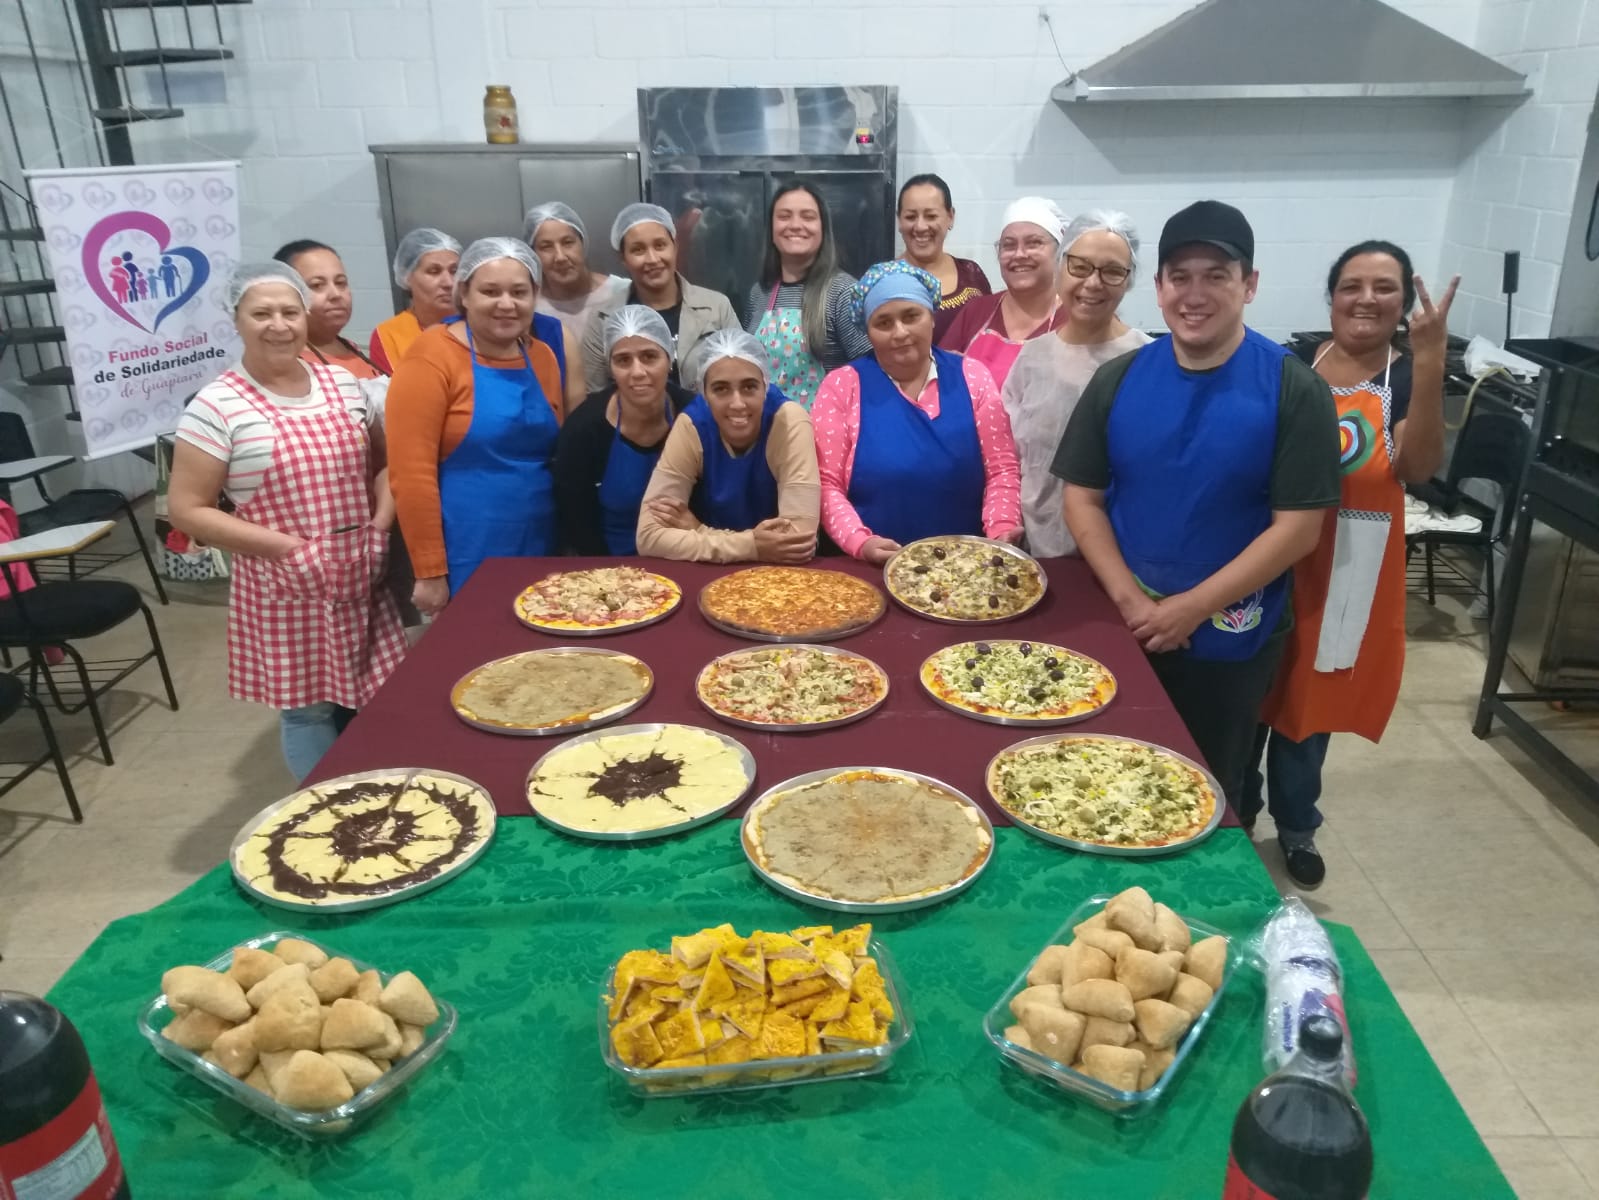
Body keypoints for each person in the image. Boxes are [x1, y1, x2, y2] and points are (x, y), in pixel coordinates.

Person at [1053, 199, 1340, 822]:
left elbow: (1298, 530)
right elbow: (1082, 497)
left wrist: (1191, 607)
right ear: (1158, 288)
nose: (1195, 294)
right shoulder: (1120, 379)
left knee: (1210, 791)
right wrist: (1132, 600)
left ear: (1250, 284)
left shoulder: (1293, 388)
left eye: (1217, 276)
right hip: (1125, 624)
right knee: (1101, 781)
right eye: (1180, 276)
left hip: (1230, 637)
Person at [1251, 243, 1456, 886]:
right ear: (1332, 296)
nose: (1366, 299)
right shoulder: (1294, 364)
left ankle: (1296, 826)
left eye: (1384, 287)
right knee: (1250, 692)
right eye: (1352, 286)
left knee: (1311, 706)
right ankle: (1234, 813)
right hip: (1272, 557)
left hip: (1347, 568)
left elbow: (1417, 467)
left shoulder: (1406, 377)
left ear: (1404, 304)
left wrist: (1431, 358)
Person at [168, 262, 404, 781]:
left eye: (289, 312)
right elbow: (187, 509)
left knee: (380, 693)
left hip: (360, 572)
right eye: (261, 314)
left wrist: (380, 527)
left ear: (305, 316)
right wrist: (290, 550)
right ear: (236, 319)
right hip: (286, 584)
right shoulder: (217, 405)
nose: (278, 325)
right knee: (309, 711)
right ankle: (327, 807)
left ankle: (383, 791)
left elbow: (387, 464)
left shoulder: (342, 384)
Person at [387, 238, 564, 613]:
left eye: (519, 292)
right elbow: (411, 473)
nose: (506, 304)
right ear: (464, 293)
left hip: (542, 540)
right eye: (490, 291)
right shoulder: (431, 355)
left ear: (535, 296)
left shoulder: (543, 357)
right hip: (466, 546)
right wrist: (430, 570)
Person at [812, 260, 1022, 563]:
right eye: (883, 323)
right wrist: (860, 541)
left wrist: (1001, 528)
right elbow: (826, 484)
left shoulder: (972, 376)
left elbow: (1001, 469)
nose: (900, 332)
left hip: (966, 566)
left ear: (932, 316)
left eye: (911, 316)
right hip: (873, 566)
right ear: (867, 330)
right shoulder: (842, 387)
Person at [1001, 211, 1151, 558]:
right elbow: (1011, 460)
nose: (1093, 283)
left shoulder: (1146, 360)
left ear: (1128, 280)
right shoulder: (1031, 359)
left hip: (1121, 559)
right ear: (1059, 268)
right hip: (1035, 552)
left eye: (1112, 271)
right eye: (1080, 267)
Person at [636, 329, 819, 562]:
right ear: (703, 393)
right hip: (711, 572)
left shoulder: (789, 421)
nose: (737, 404)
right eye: (721, 389)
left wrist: (701, 531)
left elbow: (799, 543)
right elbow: (648, 536)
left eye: (749, 387)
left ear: (765, 387)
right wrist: (749, 545)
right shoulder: (692, 425)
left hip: (779, 577)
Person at [553, 306, 692, 555]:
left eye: (649, 356)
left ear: (669, 359)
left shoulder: (695, 416)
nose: (637, 372)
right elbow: (577, 522)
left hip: (687, 554)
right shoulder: (583, 430)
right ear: (610, 368)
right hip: (609, 564)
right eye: (623, 360)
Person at [579, 203, 739, 395]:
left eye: (660, 245)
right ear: (623, 258)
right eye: (638, 250)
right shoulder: (603, 320)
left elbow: (740, 372)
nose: (653, 259)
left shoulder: (717, 308)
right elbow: (597, 397)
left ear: (675, 247)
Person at [744, 181, 872, 411]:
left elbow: (871, 373)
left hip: (825, 429)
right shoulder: (759, 293)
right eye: (784, 216)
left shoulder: (843, 292)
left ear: (823, 229)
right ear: (771, 230)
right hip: (766, 427)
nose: (795, 225)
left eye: (808, 216)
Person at [939, 197, 1068, 390]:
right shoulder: (978, 311)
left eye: (1033, 243)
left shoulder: (1074, 321)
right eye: (1008, 245)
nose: (1019, 254)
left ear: (1059, 252)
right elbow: (938, 380)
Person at [897, 173, 992, 342]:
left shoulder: (972, 275)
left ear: (950, 217)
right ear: (899, 220)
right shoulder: (882, 280)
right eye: (911, 217)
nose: (920, 226)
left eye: (931, 216)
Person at [274, 239, 385, 381]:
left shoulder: (351, 348)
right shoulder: (284, 365)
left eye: (340, 283)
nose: (336, 294)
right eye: (317, 285)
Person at [526, 201, 629, 353]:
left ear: (583, 243)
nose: (560, 257)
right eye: (546, 247)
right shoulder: (528, 307)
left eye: (568, 243)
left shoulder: (623, 292)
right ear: (533, 254)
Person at [369, 228, 461, 374]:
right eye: (434, 271)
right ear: (407, 277)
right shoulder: (389, 335)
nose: (449, 282)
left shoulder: (479, 327)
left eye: (454, 271)